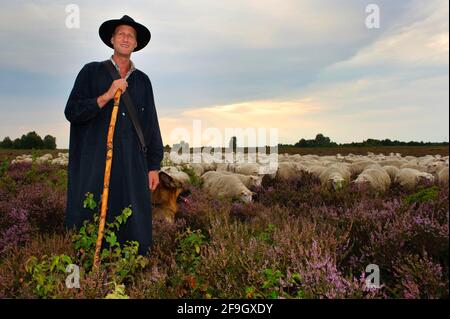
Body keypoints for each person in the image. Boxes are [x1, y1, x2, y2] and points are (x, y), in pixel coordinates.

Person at [64, 15, 163, 255]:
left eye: (131, 35)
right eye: (121, 34)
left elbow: (150, 124)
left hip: (132, 163)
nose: (126, 38)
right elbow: (72, 111)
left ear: (136, 44)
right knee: (92, 211)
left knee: (133, 218)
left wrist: (154, 166)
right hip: (94, 161)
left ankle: (131, 265)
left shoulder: (143, 82)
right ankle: (88, 264)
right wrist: (106, 95)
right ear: (111, 39)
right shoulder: (91, 72)